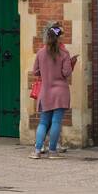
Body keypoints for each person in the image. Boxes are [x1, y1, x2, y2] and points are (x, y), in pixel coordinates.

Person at [32, 22, 77, 157]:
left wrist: (46, 72)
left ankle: (37, 150)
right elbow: (66, 73)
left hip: (45, 91)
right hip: (60, 92)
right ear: (58, 37)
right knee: (56, 121)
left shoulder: (40, 52)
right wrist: (71, 62)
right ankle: (52, 151)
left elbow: (35, 71)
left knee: (43, 122)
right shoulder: (64, 53)